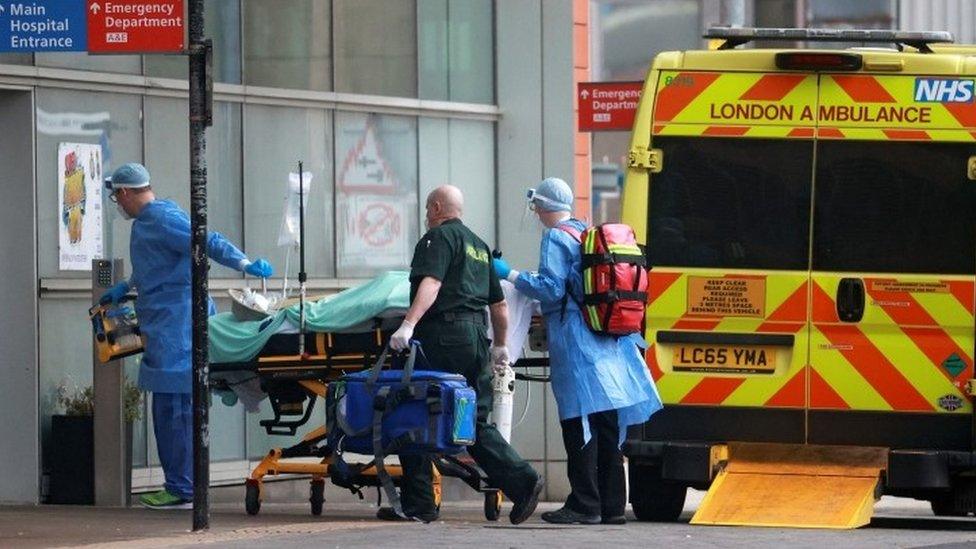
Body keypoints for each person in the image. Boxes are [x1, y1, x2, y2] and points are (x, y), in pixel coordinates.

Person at [100, 163, 274, 509]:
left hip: (176, 328)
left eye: (115, 196)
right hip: (164, 325)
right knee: (170, 411)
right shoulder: (149, 223)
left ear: (124, 192)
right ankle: (181, 484)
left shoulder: (163, 219)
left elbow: (206, 240)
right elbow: (152, 266)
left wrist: (244, 264)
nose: (116, 204)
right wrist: (127, 286)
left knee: (176, 412)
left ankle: (183, 488)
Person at [493, 177, 661, 525]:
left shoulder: (555, 237)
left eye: (536, 205)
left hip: (576, 341)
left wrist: (510, 274)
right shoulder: (585, 233)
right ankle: (613, 506)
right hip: (608, 339)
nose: (535, 212)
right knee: (607, 423)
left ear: (542, 206)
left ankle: (584, 503)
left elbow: (552, 290)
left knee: (578, 421)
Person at [383, 185, 544, 524]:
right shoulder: (479, 247)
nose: (427, 217)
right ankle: (523, 481)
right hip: (475, 338)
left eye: (428, 210)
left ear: (437, 207)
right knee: (473, 419)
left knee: (412, 409)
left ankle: (420, 503)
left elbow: (432, 283)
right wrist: (500, 344)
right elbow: (499, 305)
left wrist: (408, 324)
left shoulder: (438, 239)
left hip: (441, 336)